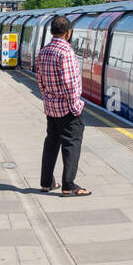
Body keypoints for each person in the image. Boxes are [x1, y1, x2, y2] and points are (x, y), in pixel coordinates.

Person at [35, 15, 90, 196]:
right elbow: (70, 84)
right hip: (67, 108)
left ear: (52, 31)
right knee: (71, 145)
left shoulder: (44, 51)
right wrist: (75, 106)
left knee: (51, 143)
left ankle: (46, 182)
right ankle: (68, 186)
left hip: (51, 108)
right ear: (68, 33)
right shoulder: (66, 52)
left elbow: (40, 81)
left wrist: (48, 99)